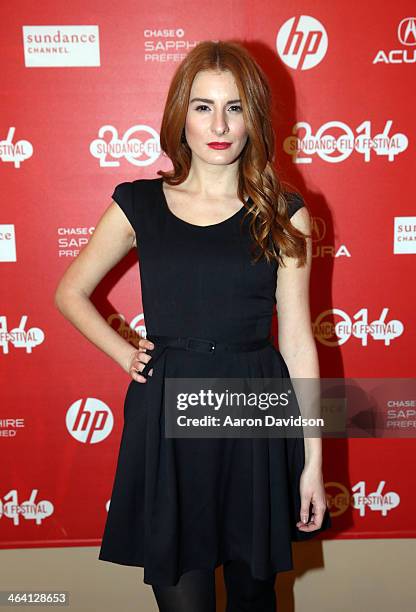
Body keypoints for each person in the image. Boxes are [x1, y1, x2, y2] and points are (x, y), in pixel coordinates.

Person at [55, 39, 331, 611]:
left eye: (235, 106)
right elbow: (70, 292)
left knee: (256, 599)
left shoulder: (284, 211)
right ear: (180, 115)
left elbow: (301, 343)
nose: (220, 123)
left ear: (255, 116)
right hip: (168, 415)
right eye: (203, 106)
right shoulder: (139, 204)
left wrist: (313, 461)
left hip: (257, 411)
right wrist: (123, 351)